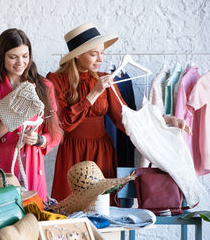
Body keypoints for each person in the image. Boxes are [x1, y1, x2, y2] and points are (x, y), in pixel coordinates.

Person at [47, 22, 191, 202]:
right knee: (68, 211)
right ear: (76, 56)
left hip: (101, 152)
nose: (100, 59)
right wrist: (94, 93)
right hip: (72, 153)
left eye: (102, 53)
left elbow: (126, 119)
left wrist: (165, 121)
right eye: (94, 54)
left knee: (102, 210)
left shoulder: (104, 79)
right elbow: (63, 124)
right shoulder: (55, 80)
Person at [0, 28, 62, 201]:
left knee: (32, 220)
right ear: (2, 56)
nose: (20, 62)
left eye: (25, 55)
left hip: (31, 165)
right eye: (13, 57)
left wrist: (39, 140)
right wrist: (12, 118)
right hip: (0, 171)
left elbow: (55, 133)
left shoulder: (44, 86)